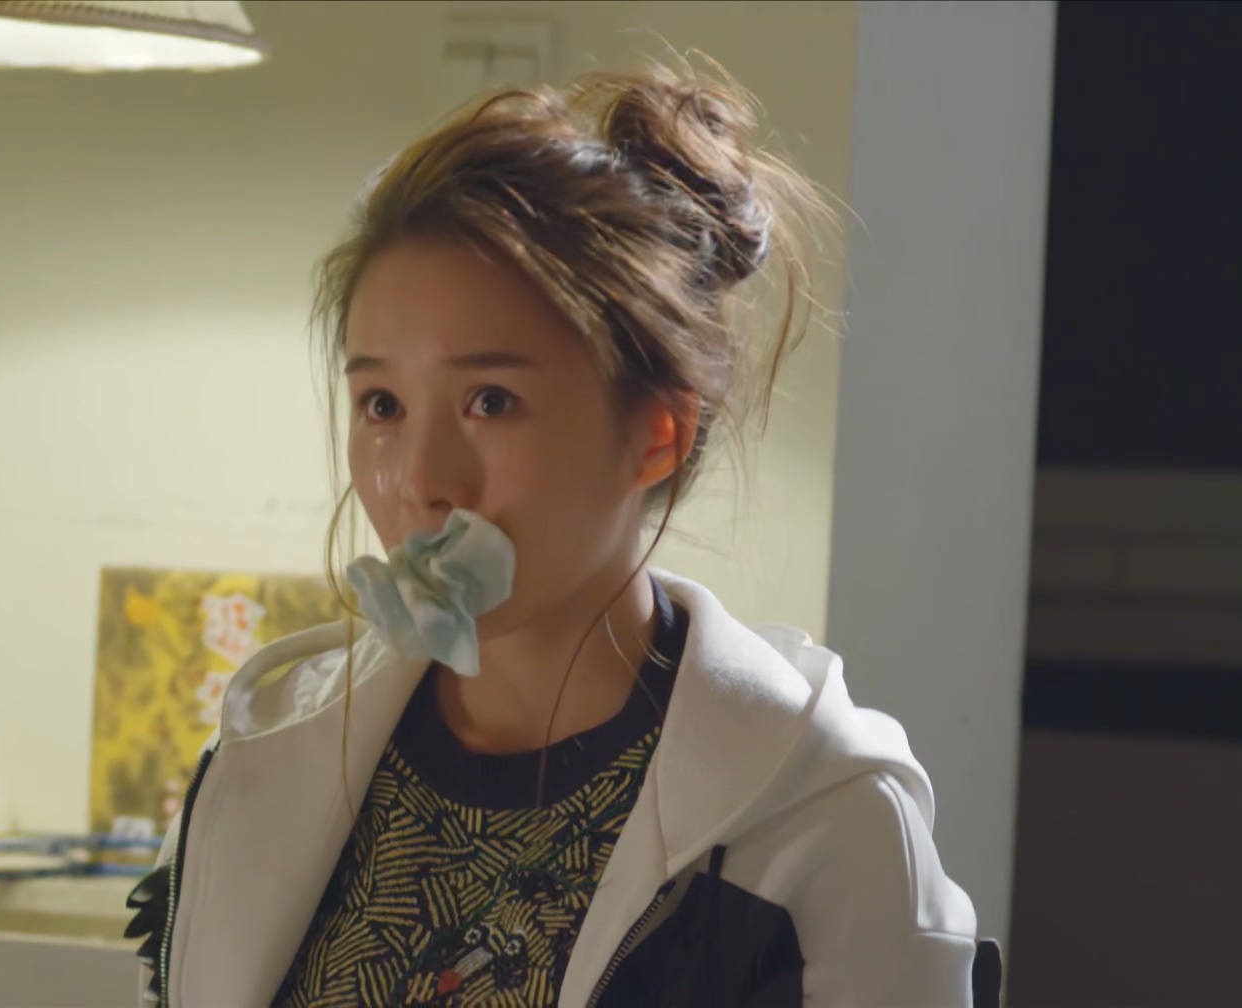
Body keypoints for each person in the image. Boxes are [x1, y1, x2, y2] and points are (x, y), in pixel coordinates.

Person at [126, 61, 997, 1007]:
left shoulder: (824, 824)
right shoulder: (261, 757)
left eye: (491, 401)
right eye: (382, 404)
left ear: (656, 433)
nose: (419, 480)